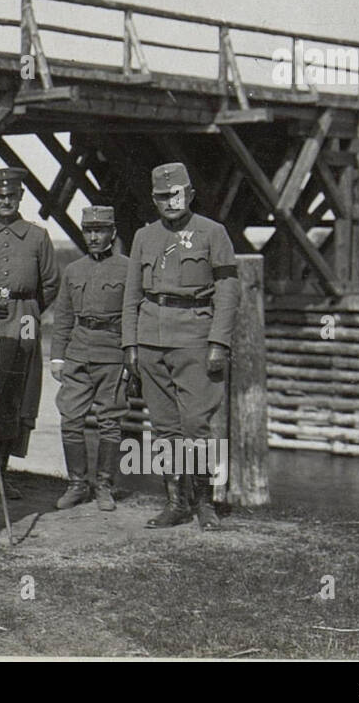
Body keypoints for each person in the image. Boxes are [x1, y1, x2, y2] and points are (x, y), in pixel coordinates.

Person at [122, 162, 239, 531]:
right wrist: (130, 345)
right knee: (164, 427)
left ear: (189, 194)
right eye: (162, 196)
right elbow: (131, 295)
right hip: (151, 340)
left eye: (176, 194)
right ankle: (174, 503)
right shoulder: (144, 237)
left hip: (195, 339)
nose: (170, 201)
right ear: (154, 200)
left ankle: (205, 503)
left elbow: (228, 290)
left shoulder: (212, 233)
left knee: (196, 425)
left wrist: (219, 341)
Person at [0, 167, 59, 499]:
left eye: (12, 196)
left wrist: (29, 311)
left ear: (21, 197)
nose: (6, 201)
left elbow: (50, 284)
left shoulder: (37, 236)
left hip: (24, 319)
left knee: (13, 396)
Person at [49, 205, 128, 511]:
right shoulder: (74, 270)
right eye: (89, 231)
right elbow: (64, 317)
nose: (94, 237)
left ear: (112, 233)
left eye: (100, 231)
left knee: (110, 422)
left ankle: (105, 486)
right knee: (70, 419)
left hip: (112, 353)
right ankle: (77, 484)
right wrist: (57, 357)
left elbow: (133, 315)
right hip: (78, 352)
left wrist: (129, 356)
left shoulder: (127, 268)